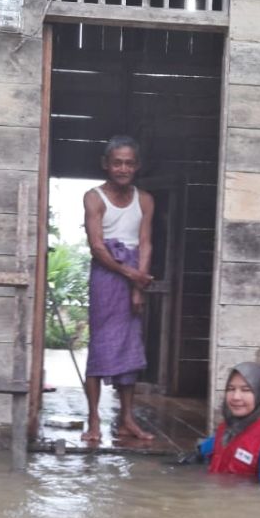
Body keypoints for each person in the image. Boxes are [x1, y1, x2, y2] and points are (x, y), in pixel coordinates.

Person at [82, 135, 155, 443]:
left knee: (129, 347)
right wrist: (130, 275)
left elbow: (145, 243)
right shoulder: (94, 197)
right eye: (117, 163)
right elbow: (97, 247)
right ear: (106, 164)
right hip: (107, 275)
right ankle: (94, 420)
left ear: (136, 166)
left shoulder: (146, 199)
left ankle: (126, 420)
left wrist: (139, 285)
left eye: (128, 163)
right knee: (101, 346)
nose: (123, 169)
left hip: (133, 273)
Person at [194, 362, 260, 482]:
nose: (235, 396)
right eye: (231, 389)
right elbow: (199, 454)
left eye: (245, 390)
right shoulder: (227, 430)